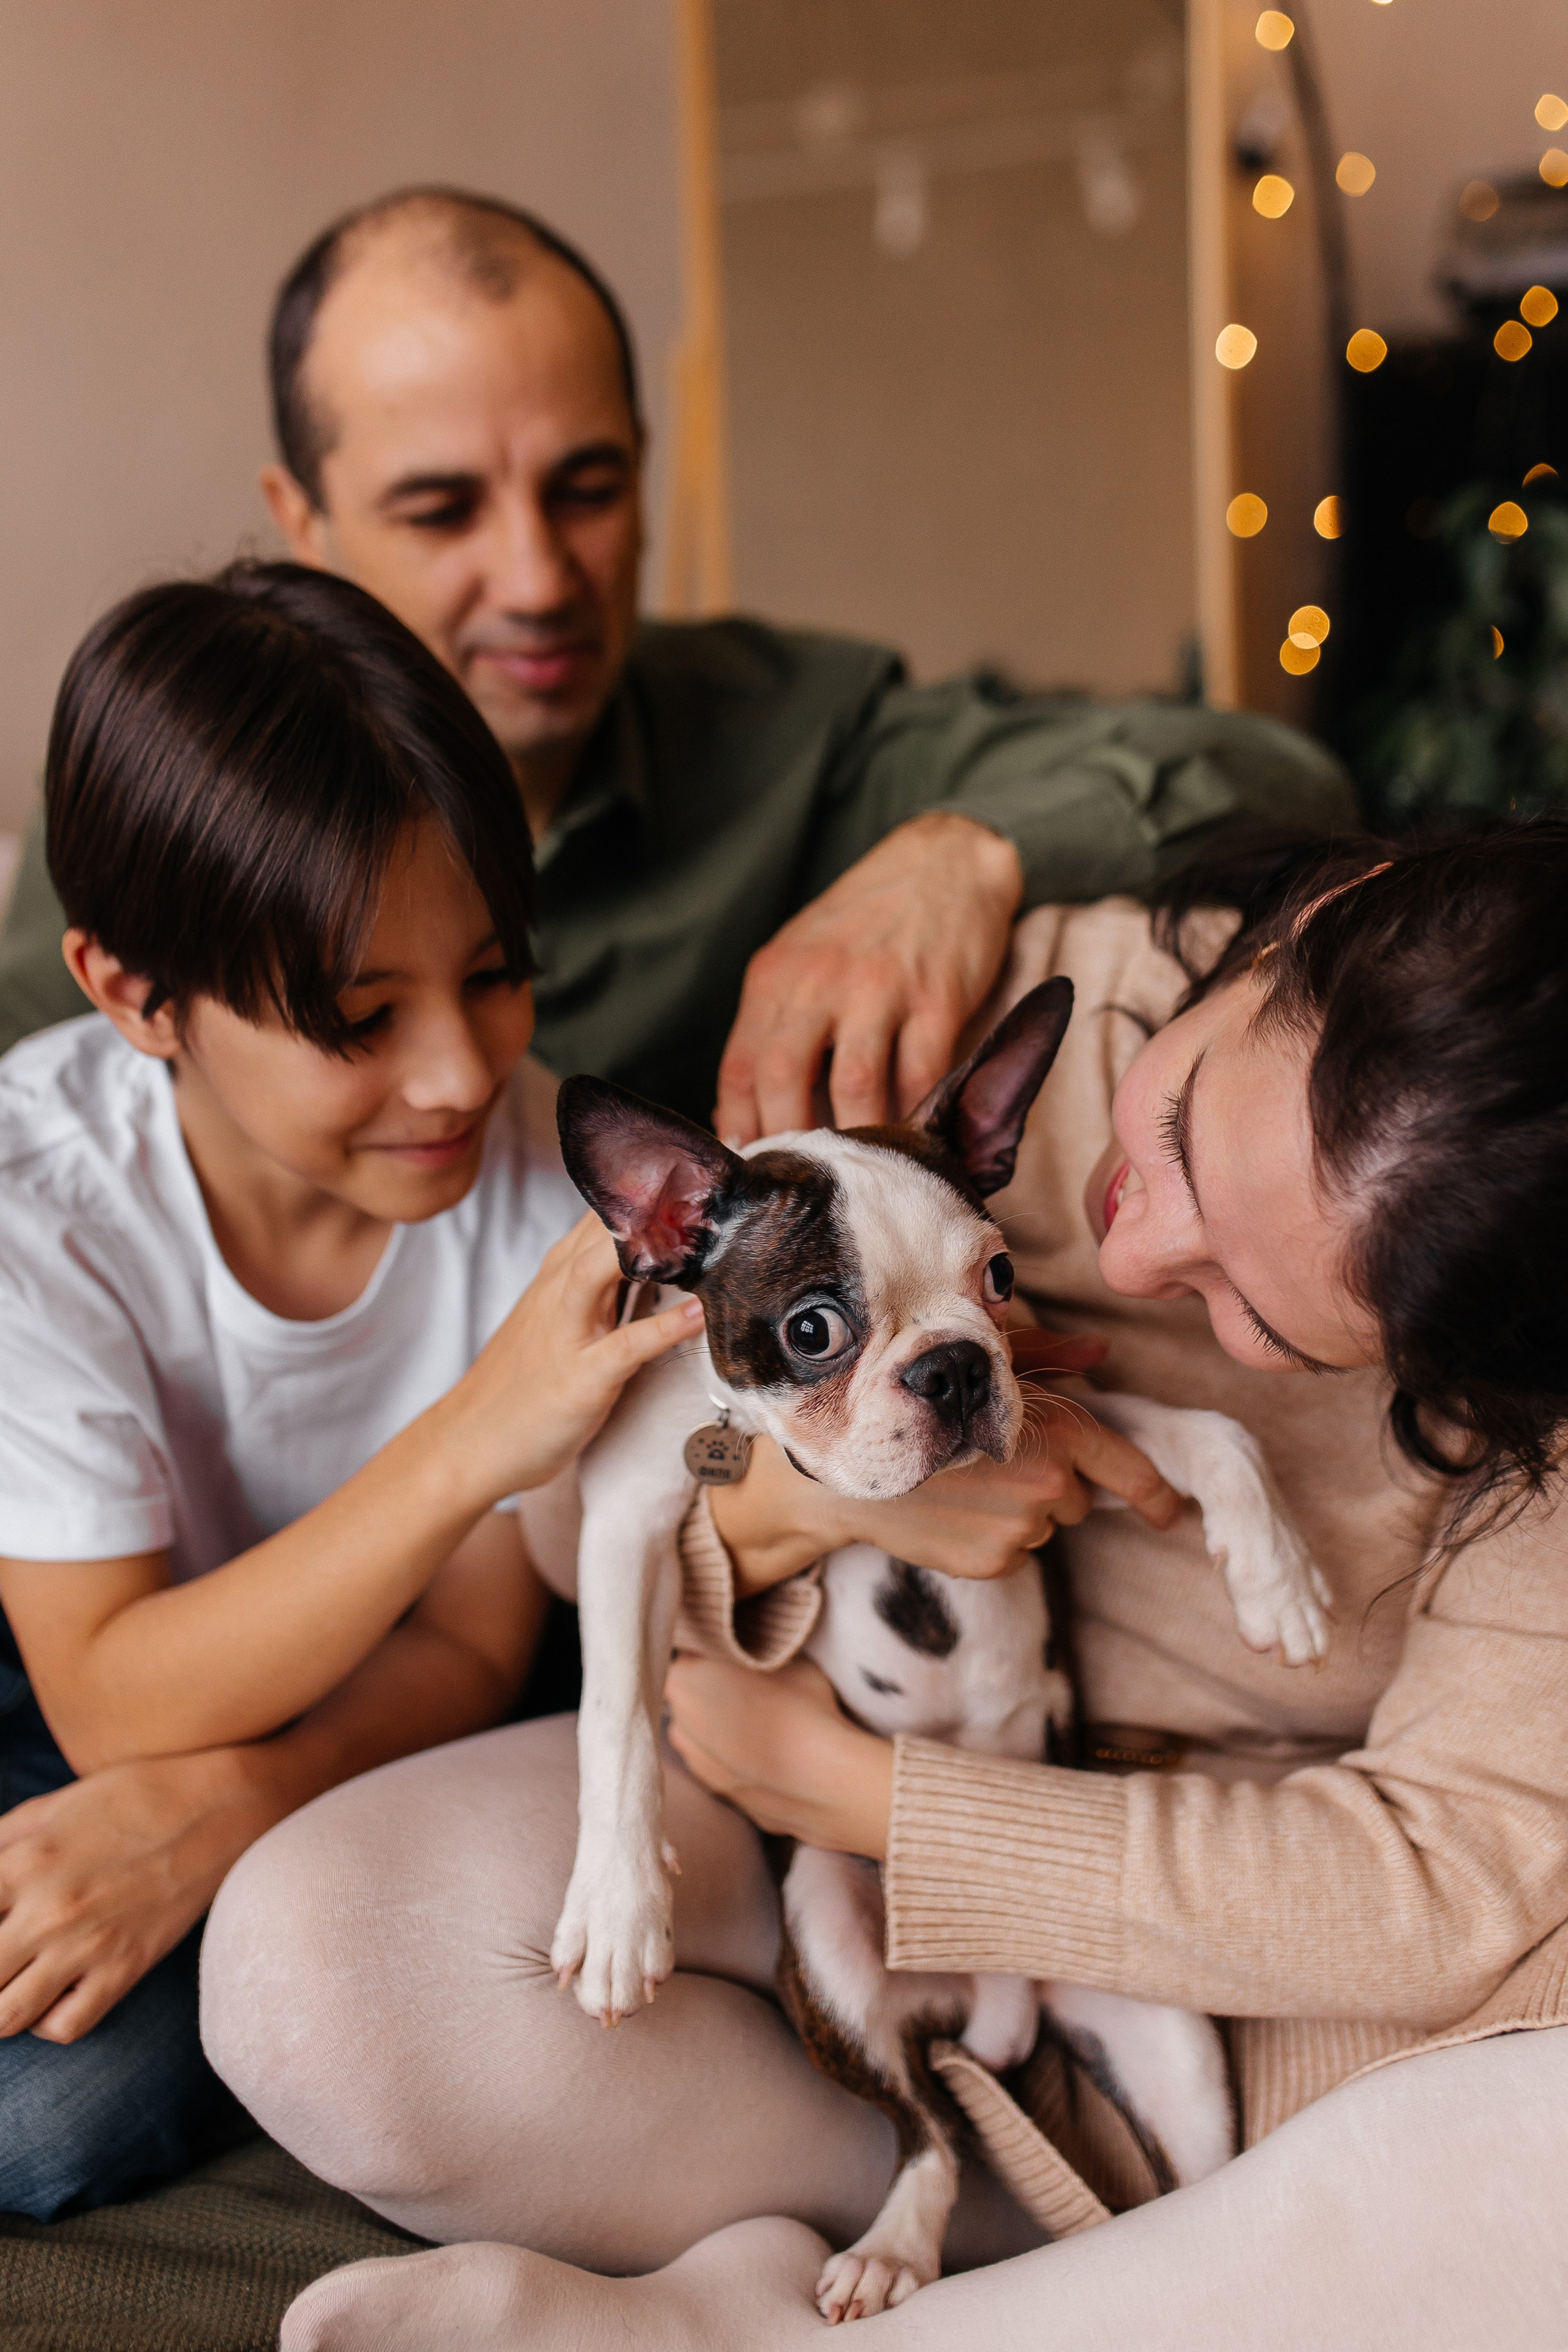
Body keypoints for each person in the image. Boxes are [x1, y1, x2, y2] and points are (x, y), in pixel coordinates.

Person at [203, 827, 1568, 2349]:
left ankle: (776, 2320)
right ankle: (971, 2241)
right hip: (802, 1849)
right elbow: (593, 1507)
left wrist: (886, 1809)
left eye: (1251, 1305)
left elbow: (1443, 1895)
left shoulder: (1538, 1410)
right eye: (1172, 1127)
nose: (1134, 1250)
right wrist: (776, 1516)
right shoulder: (955, 1027)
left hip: (1246, 1977)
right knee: (307, 1974)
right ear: (1304, 928)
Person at [0, 185, 1357, 1137]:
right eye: (442, 510)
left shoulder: (784, 731)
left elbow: (1275, 775)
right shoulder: (163, 807)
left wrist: (966, 852)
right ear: (301, 520)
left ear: (648, 474)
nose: (538, 581)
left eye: (586, 489)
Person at [0, 560, 710, 2219]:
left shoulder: (553, 1194)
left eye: (493, 970)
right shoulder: (37, 1201)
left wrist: (220, 1810)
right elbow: (107, 1700)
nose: (461, 1073)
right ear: (130, 996)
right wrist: (477, 1433)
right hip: (63, 1670)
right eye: (357, 1016)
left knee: (40, 2113)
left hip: (362, 1729)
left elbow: (469, 1648)